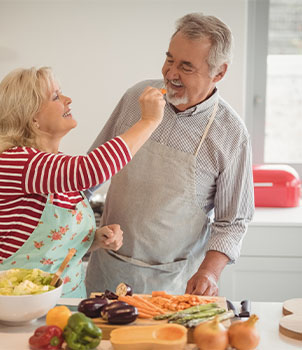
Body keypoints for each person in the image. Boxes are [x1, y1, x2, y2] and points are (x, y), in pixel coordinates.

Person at [85, 13, 254, 296]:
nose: (171, 73)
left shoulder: (231, 134)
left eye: (186, 67)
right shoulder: (137, 98)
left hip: (173, 284)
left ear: (219, 72)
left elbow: (232, 223)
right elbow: (90, 174)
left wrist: (209, 273)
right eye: (169, 59)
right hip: (108, 272)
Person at [0, 66, 165, 298]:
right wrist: (149, 121)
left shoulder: (55, 165)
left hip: (65, 301)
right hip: (14, 300)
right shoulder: (16, 161)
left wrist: (91, 240)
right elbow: (92, 169)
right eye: (56, 96)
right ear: (32, 117)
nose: (68, 100)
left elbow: (49, 249)